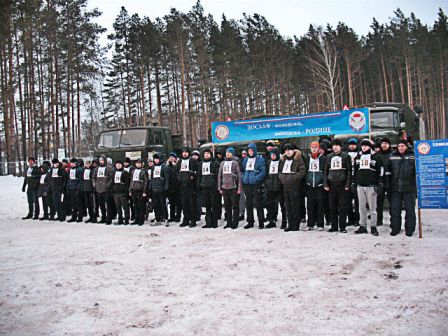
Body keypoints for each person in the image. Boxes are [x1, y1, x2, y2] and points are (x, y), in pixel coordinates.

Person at [353, 139, 384, 236]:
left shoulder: (376, 157)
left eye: (366, 146)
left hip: (371, 186)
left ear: (370, 147)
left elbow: (381, 171)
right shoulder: (358, 157)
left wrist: (380, 183)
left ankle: (373, 226)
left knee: (373, 208)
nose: (364, 147)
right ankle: (362, 226)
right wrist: (354, 183)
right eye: (362, 146)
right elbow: (354, 171)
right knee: (361, 208)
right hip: (360, 185)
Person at [388, 140, 417, 237]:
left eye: (402, 146)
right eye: (399, 146)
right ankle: (395, 228)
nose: (400, 148)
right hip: (395, 187)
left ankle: (409, 229)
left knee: (410, 210)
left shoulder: (413, 156)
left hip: (409, 187)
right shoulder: (392, 156)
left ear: (406, 146)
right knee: (395, 209)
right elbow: (388, 171)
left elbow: (417, 171)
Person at [324, 139, 351, 233]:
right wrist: (325, 183)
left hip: (342, 185)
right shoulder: (329, 157)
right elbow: (325, 171)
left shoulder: (346, 156)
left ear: (341, 147)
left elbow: (349, 171)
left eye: (337, 145)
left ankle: (342, 226)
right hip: (331, 184)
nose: (335, 147)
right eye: (333, 145)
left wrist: (348, 184)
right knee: (332, 206)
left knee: (343, 206)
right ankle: (334, 226)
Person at [279, 143, 306, 231]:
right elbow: (279, 172)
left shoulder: (298, 158)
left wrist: (292, 178)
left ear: (292, 150)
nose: (288, 152)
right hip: (285, 186)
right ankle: (290, 224)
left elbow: (302, 171)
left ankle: (296, 224)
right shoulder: (283, 160)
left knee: (295, 206)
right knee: (288, 206)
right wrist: (283, 178)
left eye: (289, 150)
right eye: (286, 150)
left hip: (295, 186)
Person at [241, 143, 266, 229]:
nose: (250, 152)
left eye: (251, 150)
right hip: (247, 184)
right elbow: (243, 170)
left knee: (258, 203)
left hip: (256, 184)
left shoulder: (260, 159)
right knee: (248, 204)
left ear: (254, 151)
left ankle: (261, 221)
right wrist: (243, 178)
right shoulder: (246, 159)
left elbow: (263, 171)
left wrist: (256, 179)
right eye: (249, 151)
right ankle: (250, 221)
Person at [303, 141, 327, 231]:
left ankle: (320, 224)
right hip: (310, 185)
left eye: (316, 147)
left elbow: (325, 171)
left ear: (318, 148)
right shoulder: (307, 158)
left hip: (319, 185)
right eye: (312, 147)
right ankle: (310, 224)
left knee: (320, 205)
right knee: (310, 205)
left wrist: (324, 183)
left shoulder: (323, 158)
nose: (314, 149)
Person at [217, 147, 242, 229]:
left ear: (232, 153)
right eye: (227, 152)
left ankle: (235, 222)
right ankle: (228, 222)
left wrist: (239, 188)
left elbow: (239, 175)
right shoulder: (222, 163)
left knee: (235, 206)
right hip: (224, 187)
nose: (227, 153)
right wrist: (219, 187)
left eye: (229, 152)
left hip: (233, 187)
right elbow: (219, 175)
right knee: (227, 206)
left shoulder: (235, 163)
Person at [176, 147, 199, 227]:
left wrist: (193, 176)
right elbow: (176, 172)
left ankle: (193, 220)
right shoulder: (179, 162)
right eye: (183, 152)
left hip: (191, 186)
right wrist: (179, 178)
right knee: (184, 204)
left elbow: (197, 171)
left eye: (186, 152)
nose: (184, 153)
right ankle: (185, 220)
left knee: (192, 204)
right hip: (182, 186)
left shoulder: (193, 161)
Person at [197, 149, 220, 228]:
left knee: (214, 205)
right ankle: (208, 222)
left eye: (208, 153)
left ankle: (214, 222)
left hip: (212, 186)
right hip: (204, 186)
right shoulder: (201, 164)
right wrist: (199, 185)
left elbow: (217, 176)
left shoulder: (214, 163)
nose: (206, 155)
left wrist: (217, 185)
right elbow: (199, 175)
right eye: (205, 153)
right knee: (207, 206)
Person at [264, 147, 286, 229]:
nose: (272, 156)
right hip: (270, 187)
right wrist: (266, 183)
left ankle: (284, 221)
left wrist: (281, 183)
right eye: (271, 155)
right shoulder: (268, 162)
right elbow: (266, 174)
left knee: (282, 206)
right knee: (270, 205)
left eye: (274, 154)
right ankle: (272, 221)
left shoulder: (281, 162)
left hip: (279, 187)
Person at [149, 153, 169, 225]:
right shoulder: (153, 168)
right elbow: (151, 178)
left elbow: (167, 179)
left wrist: (166, 188)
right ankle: (157, 219)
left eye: (157, 159)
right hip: (154, 189)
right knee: (156, 205)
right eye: (155, 159)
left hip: (162, 189)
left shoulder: (164, 167)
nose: (156, 160)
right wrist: (150, 188)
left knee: (163, 205)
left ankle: (166, 218)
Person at [376, 137, 392, 226]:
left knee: (392, 202)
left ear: (389, 145)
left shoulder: (393, 154)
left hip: (390, 181)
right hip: (380, 181)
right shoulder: (377, 155)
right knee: (379, 202)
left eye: (386, 143)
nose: (384, 145)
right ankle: (379, 220)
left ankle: (393, 220)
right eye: (382, 143)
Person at [109, 160, 131, 225]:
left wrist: (126, 192)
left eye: (119, 164)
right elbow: (113, 182)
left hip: (122, 192)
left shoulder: (125, 172)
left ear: (122, 165)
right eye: (117, 164)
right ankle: (120, 220)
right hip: (116, 192)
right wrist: (112, 191)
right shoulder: (114, 172)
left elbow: (127, 183)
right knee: (118, 207)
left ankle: (126, 220)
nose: (118, 165)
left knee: (125, 207)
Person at [94, 156, 113, 225]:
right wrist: (95, 184)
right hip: (99, 189)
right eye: (100, 160)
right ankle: (103, 217)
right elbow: (94, 177)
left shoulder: (109, 168)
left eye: (102, 160)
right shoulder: (96, 169)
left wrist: (107, 185)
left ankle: (109, 218)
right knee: (101, 205)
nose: (101, 161)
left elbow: (111, 178)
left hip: (106, 190)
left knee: (108, 205)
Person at [129, 158, 148, 226]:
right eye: (137, 163)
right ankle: (136, 219)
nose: (138, 164)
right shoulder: (133, 171)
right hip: (134, 190)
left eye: (139, 163)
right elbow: (131, 181)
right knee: (135, 206)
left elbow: (146, 182)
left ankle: (141, 219)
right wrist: (130, 190)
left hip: (140, 190)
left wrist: (144, 191)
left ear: (142, 164)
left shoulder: (143, 171)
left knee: (141, 206)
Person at [346, 138, 360, 226]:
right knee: (348, 202)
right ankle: (350, 219)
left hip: (357, 179)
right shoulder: (345, 154)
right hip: (348, 179)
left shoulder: (360, 154)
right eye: (350, 144)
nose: (352, 146)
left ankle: (357, 219)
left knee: (358, 202)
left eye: (353, 144)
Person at [166, 152, 182, 222]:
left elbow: (179, 175)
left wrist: (175, 166)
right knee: (172, 204)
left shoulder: (179, 165)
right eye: (170, 157)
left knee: (178, 203)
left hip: (178, 187)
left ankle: (178, 216)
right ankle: (172, 216)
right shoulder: (167, 166)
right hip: (170, 187)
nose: (171, 158)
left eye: (173, 157)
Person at [67, 158, 83, 222]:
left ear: (76, 163)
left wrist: (78, 188)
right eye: (71, 163)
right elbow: (69, 179)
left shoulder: (79, 169)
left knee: (78, 203)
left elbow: (80, 180)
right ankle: (74, 216)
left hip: (76, 188)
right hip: (71, 188)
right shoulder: (70, 170)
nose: (72, 164)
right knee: (73, 204)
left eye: (73, 163)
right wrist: (68, 187)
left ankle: (80, 217)